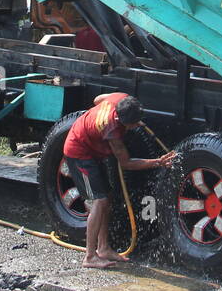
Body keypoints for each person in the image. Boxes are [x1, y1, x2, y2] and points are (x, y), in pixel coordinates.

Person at [62, 92, 174, 268]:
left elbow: (97, 99)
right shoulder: (112, 129)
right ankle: (90, 257)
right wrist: (158, 162)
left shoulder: (120, 98)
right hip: (79, 153)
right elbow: (126, 163)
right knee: (99, 201)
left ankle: (104, 248)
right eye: (133, 124)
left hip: (92, 150)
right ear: (122, 121)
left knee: (107, 199)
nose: (137, 126)